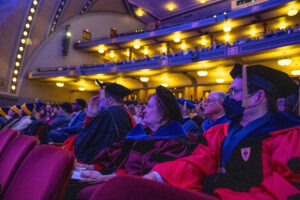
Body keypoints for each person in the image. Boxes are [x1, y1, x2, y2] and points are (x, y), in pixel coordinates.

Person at [93, 64, 300, 200]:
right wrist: (156, 177)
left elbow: (285, 190)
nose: (229, 99)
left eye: (234, 92)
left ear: (257, 97)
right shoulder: (220, 133)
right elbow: (195, 164)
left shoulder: (289, 137)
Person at [64, 86, 191, 200]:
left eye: (149, 106)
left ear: (163, 113)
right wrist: (94, 168)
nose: (143, 111)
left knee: (78, 191)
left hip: (139, 189)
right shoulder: (145, 132)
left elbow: (145, 175)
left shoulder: (173, 142)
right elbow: (119, 157)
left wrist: (105, 177)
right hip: (118, 177)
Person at [74, 82, 135, 163]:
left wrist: (89, 114)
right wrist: (91, 115)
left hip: (106, 162)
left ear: (110, 101)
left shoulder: (108, 114)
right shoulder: (124, 112)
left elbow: (84, 142)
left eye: (100, 95)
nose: (97, 99)